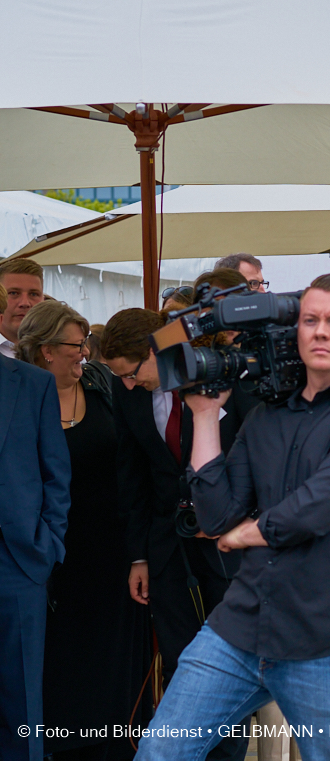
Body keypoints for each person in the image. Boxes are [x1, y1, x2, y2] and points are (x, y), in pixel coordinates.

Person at [136, 274, 330, 759]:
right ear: (295, 329)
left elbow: (317, 507)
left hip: (325, 638)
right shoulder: (268, 414)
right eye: (310, 320)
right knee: (161, 751)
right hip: (239, 626)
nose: (320, 332)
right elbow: (217, 513)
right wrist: (204, 416)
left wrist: (250, 534)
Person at [102, 306, 255, 761]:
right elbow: (133, 475)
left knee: (230, 667)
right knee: (180, 664)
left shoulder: (223, 378)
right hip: (166, 551)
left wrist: (238, 518)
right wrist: (139, 557)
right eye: (120, 377)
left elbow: (260, 456)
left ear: (157, 351)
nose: (127, 384)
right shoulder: (125, 389)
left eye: (132, 373)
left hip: (229, 549)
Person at [17, 300, 150, 759]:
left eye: (85, 344)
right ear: (44, 350)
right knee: (57, 666)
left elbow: (135, 461)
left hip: (113, 555)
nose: (84, 354)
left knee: (111, 666)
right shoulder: (17, 399)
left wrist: (139, 549)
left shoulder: (104, 386)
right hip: (46, 557)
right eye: (76, 346)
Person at [0, 288, 70, 761]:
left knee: (22, 703)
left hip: (18, 560)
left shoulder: (31, 383)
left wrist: (45, 547)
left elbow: (55, 475)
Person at [0, 258, 46, 358]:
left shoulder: (62, 353)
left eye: (33, 294)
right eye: (13, 293)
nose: (25, 303)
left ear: (43, 299)